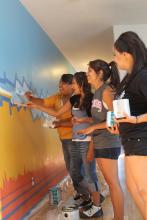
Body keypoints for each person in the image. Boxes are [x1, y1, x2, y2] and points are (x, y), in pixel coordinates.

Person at [27, 72, 103, 218]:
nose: (72, 86)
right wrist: (37, 107)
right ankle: (92, 199)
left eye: (73, 83)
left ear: (79, 84)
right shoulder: (74, 99)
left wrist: (91, 144)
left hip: (87, 141)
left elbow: (96, 121)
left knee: (88, 174)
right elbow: (57, 113)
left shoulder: (92, 99)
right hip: (76, 140)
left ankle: (96, 204)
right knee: (76, 170)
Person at [78, 60, 124, 220]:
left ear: (100, 73)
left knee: (113, 183)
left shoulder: (107, 90)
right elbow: (100, 120)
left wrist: (92, 128)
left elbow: (116, 118)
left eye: (90, 70)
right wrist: (91, 133)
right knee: (111, 182)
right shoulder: (97, 93)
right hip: (100, 143)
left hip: (108, 142)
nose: (87, 74)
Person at [111, 31, 147, 219]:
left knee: (144, 191)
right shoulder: (128, 79)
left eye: (116, 55)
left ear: (126, 54)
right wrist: (117, 123)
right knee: (135, 191)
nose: (115, 60)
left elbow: (136, 115)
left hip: (141, 139)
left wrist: (134, 120)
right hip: (130, 141)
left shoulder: (142, 76)